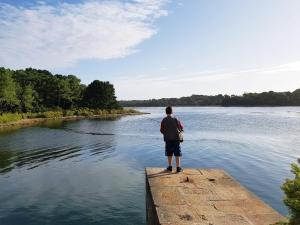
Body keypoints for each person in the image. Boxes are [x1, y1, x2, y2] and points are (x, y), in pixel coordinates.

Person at [160, 106, 184, 172]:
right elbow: (181, 127)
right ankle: (178, 168)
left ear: (166, 112)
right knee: (177, 153)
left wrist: (166, 133)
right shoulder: (176, 119)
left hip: (168, 139)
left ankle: (170, 167)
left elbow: (161, 130)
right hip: (176, 139)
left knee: (169, 153)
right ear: (172, 111)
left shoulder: (164, 120)